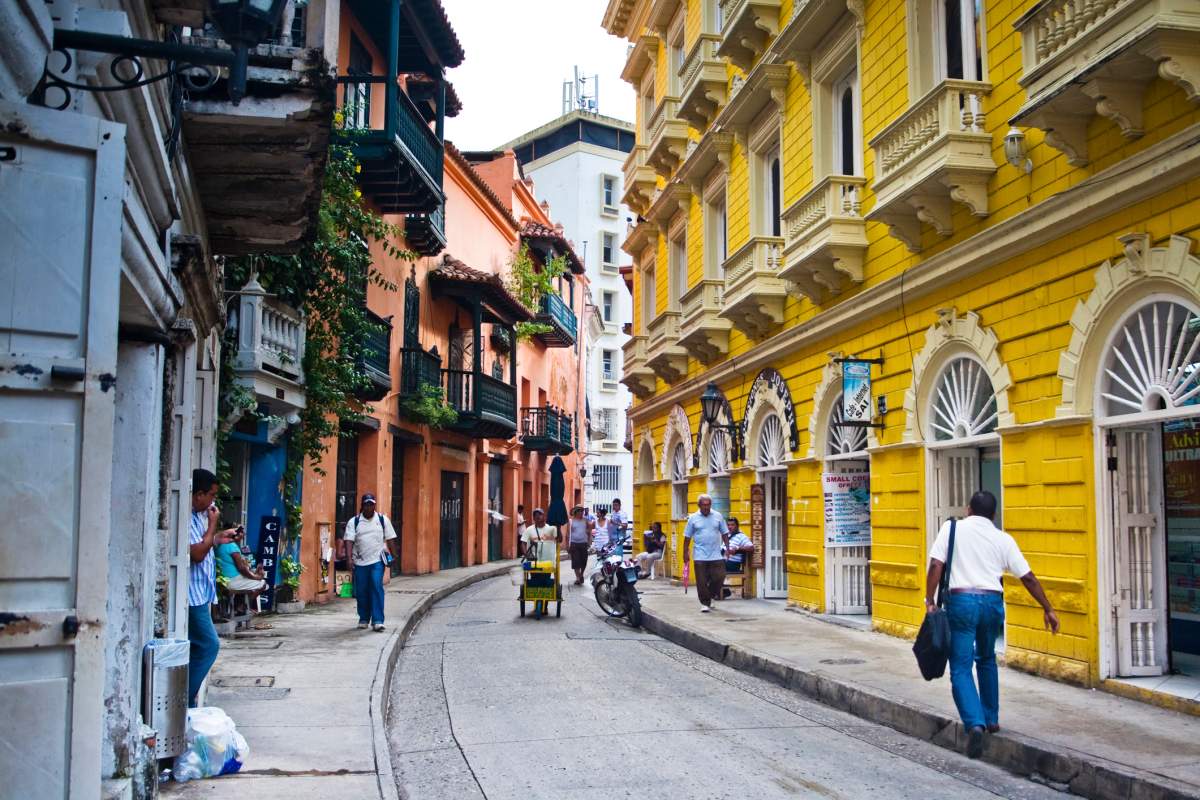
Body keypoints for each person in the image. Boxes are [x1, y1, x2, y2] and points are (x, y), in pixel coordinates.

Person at [924, 490, 1060, 759]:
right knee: (986, 659)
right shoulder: (1003, 539)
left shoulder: (952, 528)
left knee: (961, 666)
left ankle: (975, 723)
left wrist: (930, 600)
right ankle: (992, 718)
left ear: (968, 509)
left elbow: (936, 566)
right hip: (992, 603)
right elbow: (1028, 577)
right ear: (994, 515)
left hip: (961, 603)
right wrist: (1048, 608)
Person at [188, 468, 238, 706]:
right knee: (209, 645)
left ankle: (186, 696)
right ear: (198, 494)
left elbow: (205, 543)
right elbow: (197, 552)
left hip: (202, 593)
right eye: (211, 495)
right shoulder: (188, 516)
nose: (213, 501)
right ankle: (183, 698)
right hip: (191, 594)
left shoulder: (200, 516)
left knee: (198, 646)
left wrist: (219, 537)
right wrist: (213, 526)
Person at [344, 493, 397, 632]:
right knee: (361, 591)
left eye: (371, 504)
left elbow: (390, 538)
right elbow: (349, 541)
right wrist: (349, 559)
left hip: (377, 561)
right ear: (362, 505)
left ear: (375, 505)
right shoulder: (354, 522)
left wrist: (394, 556)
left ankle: (378, 620)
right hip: (360, 562)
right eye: (366, 504)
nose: (369, 507)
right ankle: (364, 618)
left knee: (375, 585)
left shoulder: (382, 520)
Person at [682, 494, 729, 613]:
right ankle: (705, 602)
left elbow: (724, 533)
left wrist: (728, 548)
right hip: (700, 554)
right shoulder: (693, 518)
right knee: (701, 580)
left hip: (716, 554)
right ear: (699, 505)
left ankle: (711, 595)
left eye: (708, 505)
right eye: (704, 505)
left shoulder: (718, 516)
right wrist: (685, 552)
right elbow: (687, 537)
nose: (707, 507)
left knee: (720, 576)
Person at [215, 527, 267, 595]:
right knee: (263, 584)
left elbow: (242, 566)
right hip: (232, 580)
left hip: (223, 579)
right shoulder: (231, 546)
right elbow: (241, 568)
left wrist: (253, 573)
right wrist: (256, 577)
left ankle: (241, 602)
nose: (243, 535)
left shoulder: (218, 544)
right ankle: (245, 604)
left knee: (252, 579)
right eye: (241, 532)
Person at [722, 518, 755, 598]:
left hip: (733, 564)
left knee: (713, 568)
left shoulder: (741, 536)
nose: (730, 527)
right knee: (709, 567)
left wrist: (737, 549)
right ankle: (723, 591)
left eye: (732, 525)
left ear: (737, 526)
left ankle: (721, 592)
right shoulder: (728, 536)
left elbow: (751, 548)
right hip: (724, 562)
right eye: (728, 525)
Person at [566, 505, 593, 585]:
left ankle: (581, 574)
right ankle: (578, 578)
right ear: (576, 512)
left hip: (584, 544)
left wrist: (589, 541)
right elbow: (567, 534)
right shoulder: (571, 521)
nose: (582, 512)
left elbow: (589, 531)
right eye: (580, 511)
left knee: (584, 561)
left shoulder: (586, 520)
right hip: (574, 544)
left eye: (582, 511)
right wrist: (567, 545)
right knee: (576, 562)